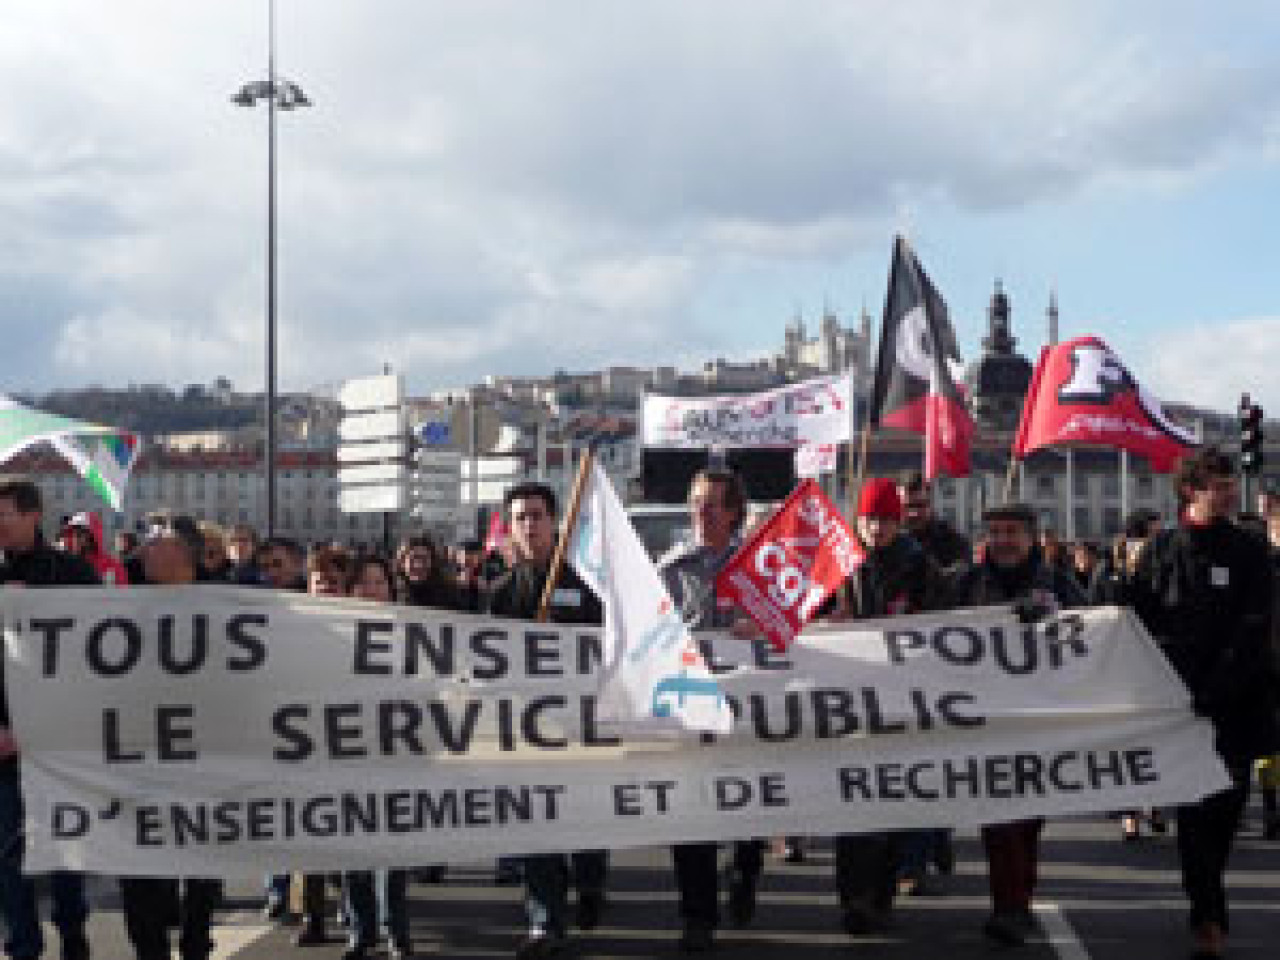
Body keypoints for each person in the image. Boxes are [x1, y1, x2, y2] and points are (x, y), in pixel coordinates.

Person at [1129, 448, 1276, 959]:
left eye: (1232, 484)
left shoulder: (1250, 549)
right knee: (1193, 814)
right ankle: (1208, 914)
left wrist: (1221, 684)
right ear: (1191, 490)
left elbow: (1256, 622)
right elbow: (1138, 616)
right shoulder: (1162, 549)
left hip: (1236, 704)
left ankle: (1207, 897)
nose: (1231, 493)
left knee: (1226, 810)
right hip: (1178, 706)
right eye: (1220, 485)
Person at [949, 502, 1086, 946]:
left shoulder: (1059, 584)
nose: (1003, 540)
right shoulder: (966, 585)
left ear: (1031, 537)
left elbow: (1091, 632)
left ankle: (1017, 898)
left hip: (1040, 721)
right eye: (996, 532)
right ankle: (1010, 906)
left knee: (1027, 821)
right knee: (998, 819)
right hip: (985, 720)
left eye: (1012, 532)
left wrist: (1051, 618)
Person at [484, 482, 608, 959]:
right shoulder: (501, 593)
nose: (530, 525)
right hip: (529, 729)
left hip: (582, 724)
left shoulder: (587, 582)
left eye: (537, 515)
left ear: (556, 523)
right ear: (510, 528)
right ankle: (544, 920)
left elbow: (609, 641)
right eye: (520, 517)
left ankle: (591, 885)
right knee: (537, 824)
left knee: (586, 820)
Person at [828, 478, 950, 930]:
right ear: (858, 521)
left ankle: (881, 893)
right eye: (869, 520)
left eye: (885, 520)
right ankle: (854, 898)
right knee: (852, 801)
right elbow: (811, 609)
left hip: (902, 697)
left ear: (898, 523)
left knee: (892, 799)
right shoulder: (841, 562)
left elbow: (943, 618)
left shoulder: (919, 566)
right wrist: (828, 618)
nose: (877, 528)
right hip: (850, 697)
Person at [657, 467, 763, 953]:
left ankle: (745, 870)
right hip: (692, 709)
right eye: (697, 502)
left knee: (747, 809)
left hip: (748, 709)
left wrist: (760, 627)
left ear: (734, 512)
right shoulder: (669, 569)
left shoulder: (757, 564)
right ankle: (697, 916)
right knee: (691, 813)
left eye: (713, 504)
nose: (703, 512)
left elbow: (789, 626)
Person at [116, 517, 223, 960]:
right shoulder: (120, 606)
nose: (144, 548)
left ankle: (196, 943)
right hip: (139, 760)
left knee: (202, 867)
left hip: (206, 762)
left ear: (184, 552)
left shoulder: (226, 606)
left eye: (155, 540)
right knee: (138, 870)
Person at [0, 481, 97, 960]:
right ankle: (23, 944)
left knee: (65, 844)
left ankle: (72, 929)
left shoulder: (73, 573)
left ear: (33, 514)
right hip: (2, 738)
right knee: (7, 851)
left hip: (59, 737)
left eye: (4, 515)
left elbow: (97, 655)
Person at [340, 555, 415, 960]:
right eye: (363, 583)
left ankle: (396, 931)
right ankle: (361, 929)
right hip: (348, 753)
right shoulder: (330, 633)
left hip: (395, 753)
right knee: (353, 848)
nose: (372, 590)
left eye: (379, 582)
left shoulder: (408, 632)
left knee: (393, 850)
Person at [897, 471, 970, 571]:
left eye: (920, 505)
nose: (914, 513)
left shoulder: (953, 542)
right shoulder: (886, 541)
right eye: (908, 506)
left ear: (931, 504)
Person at [59, 511, 129, 586]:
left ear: (92, 536)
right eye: (71, 535)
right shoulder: (63, 564)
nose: (75, 540)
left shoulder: (111, 565)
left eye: (79, 535)